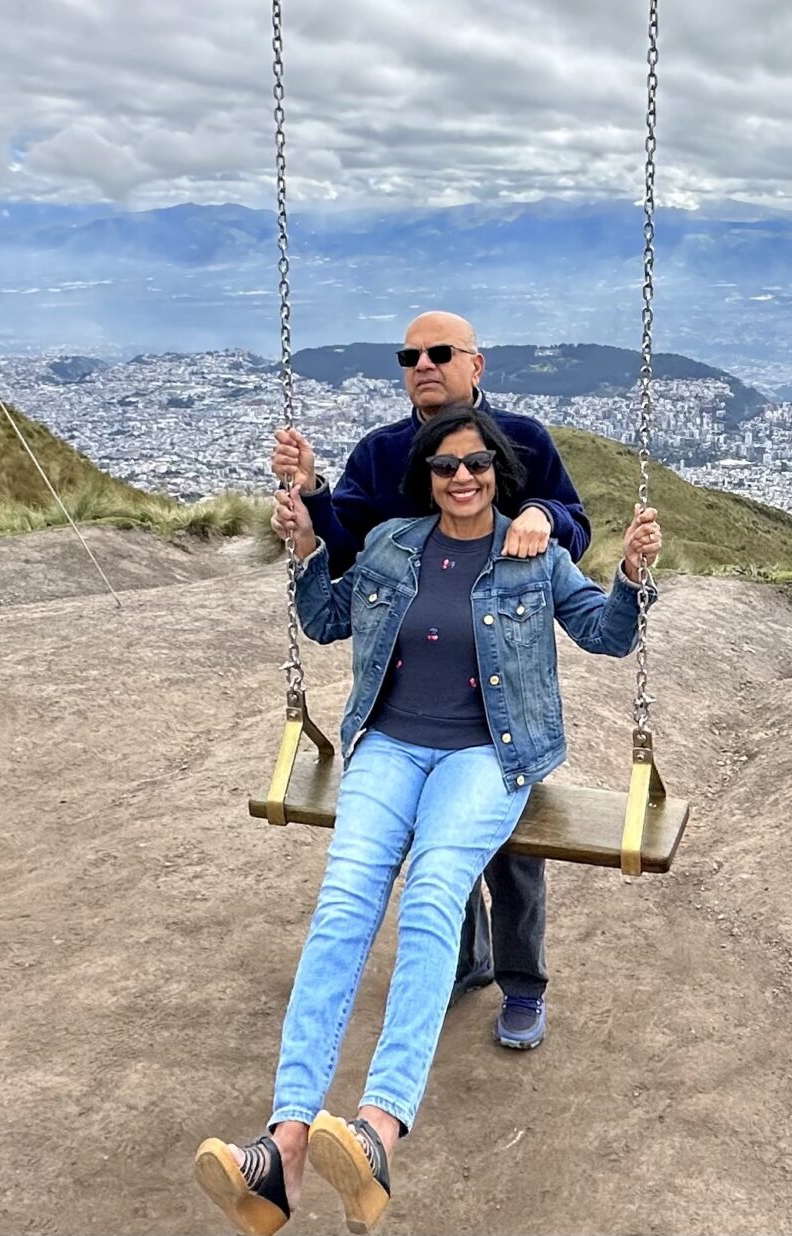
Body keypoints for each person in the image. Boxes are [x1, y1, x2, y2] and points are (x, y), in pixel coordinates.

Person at [201, 402, 661, 1236]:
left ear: (499, 474)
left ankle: (376, 1131)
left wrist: (630, 575)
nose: (462, 477)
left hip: (486, 755)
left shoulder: (536, 556)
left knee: (432, 896)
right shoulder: (390, 545)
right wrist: (304, 549)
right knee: (342, 907)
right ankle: (284, 1146)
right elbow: (326, 620)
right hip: (387, 746)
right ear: (427, 477)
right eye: (446, 466)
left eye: (477, 464)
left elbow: (606, 635)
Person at [270, 310, 582, 1052]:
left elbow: (574, 524)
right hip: (411, 697)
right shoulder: (383, 453)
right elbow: (346, 543)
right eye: (409, 356)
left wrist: (540, 514)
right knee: (433, 847)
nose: (424, 365)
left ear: (477, 364)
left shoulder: (523, 441)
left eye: (441, 352)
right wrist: (310, 499)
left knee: (510, 852)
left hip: (498, 698)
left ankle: (522, 982)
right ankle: (462, 962)